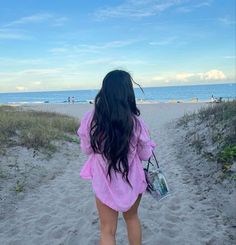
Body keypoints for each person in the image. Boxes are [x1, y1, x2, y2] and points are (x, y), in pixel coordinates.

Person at [77, 70, 156, 245]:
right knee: (132, 219)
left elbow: (87, 150)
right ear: (128, 92)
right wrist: (149, 143)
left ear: (104, 91)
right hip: (132, 180)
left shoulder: (91, 118)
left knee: (107, 230)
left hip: (104, 180)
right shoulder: (136, 122)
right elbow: (145, 155)